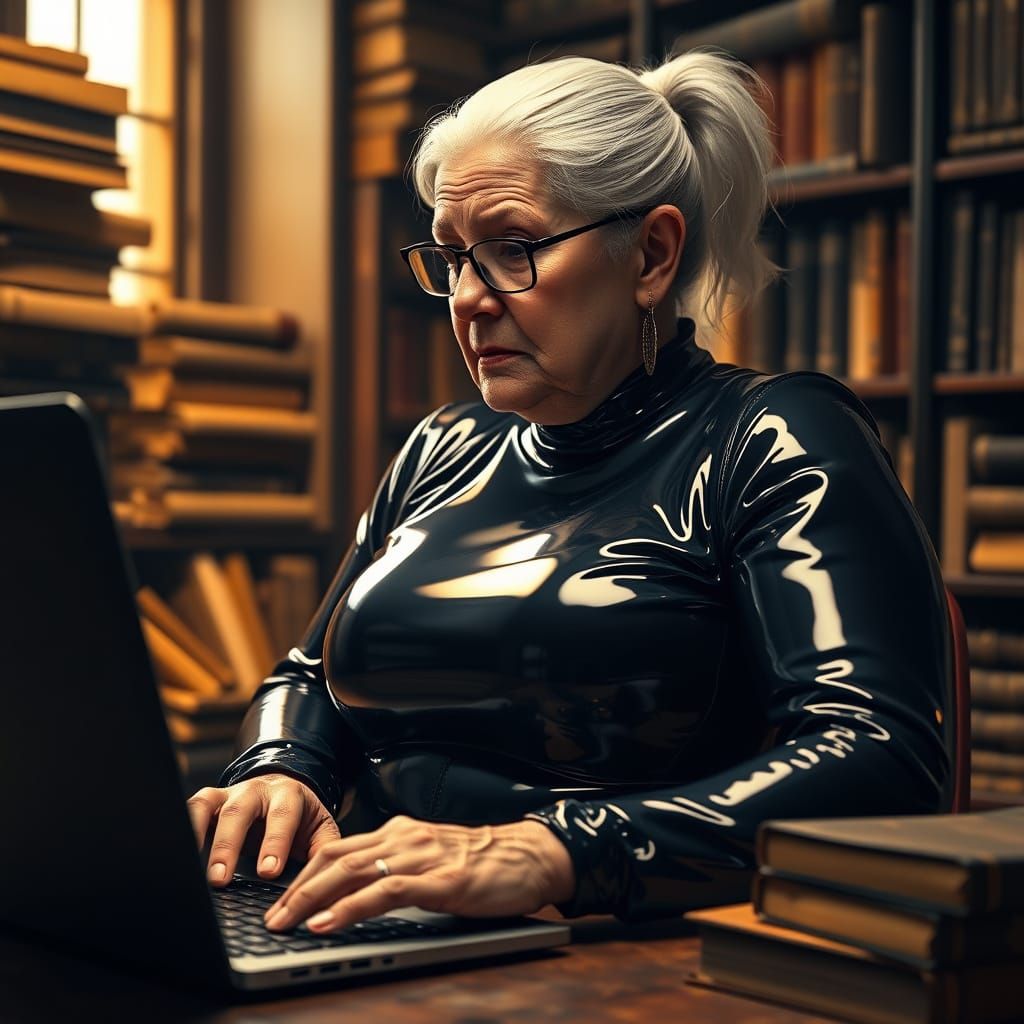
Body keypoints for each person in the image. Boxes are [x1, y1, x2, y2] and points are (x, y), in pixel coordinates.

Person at [188, 49, 953, 936]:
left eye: (512, 250)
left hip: (623, 946)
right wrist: (282, 766)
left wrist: (558, 851)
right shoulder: (441, 445)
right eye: (451, 258)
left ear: (652, 255)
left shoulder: (771, 434)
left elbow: (880, 758)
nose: (469, 298)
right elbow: (311, 674)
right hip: (361, 920)